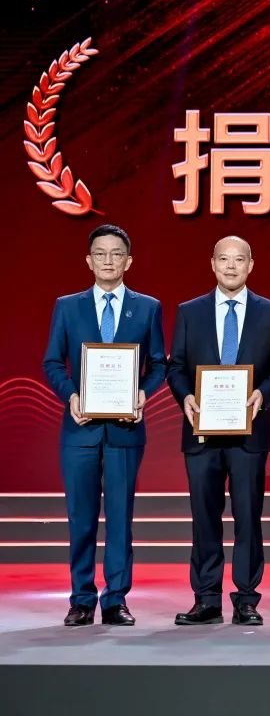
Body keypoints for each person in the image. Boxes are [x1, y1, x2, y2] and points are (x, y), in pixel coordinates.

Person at [43, 224, 167, 626]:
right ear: (89, 260)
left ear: (128, 261)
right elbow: (52, 362)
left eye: (116, 254)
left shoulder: (147, 307)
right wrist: (71, 396)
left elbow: (159, 364)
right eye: (100, 253)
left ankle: (116, 599)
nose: (108, 261)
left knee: (119, 517)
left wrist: (143, 393)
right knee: (80, 518)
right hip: (79, 429)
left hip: (125, 431)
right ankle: (81, 598)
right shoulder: (68, 307)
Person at [167, 236, 270, 626]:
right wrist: (186, 396)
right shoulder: (190, 312)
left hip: (249, 433)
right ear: (213, 264)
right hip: (201, 432)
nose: (231, 266)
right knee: (204, 517)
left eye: (239, 260)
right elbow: (176, 367)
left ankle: (246, 599)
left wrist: (262, 394)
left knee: (248, 517)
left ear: (250, 265)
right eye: (224, 259)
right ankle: (206, 599)